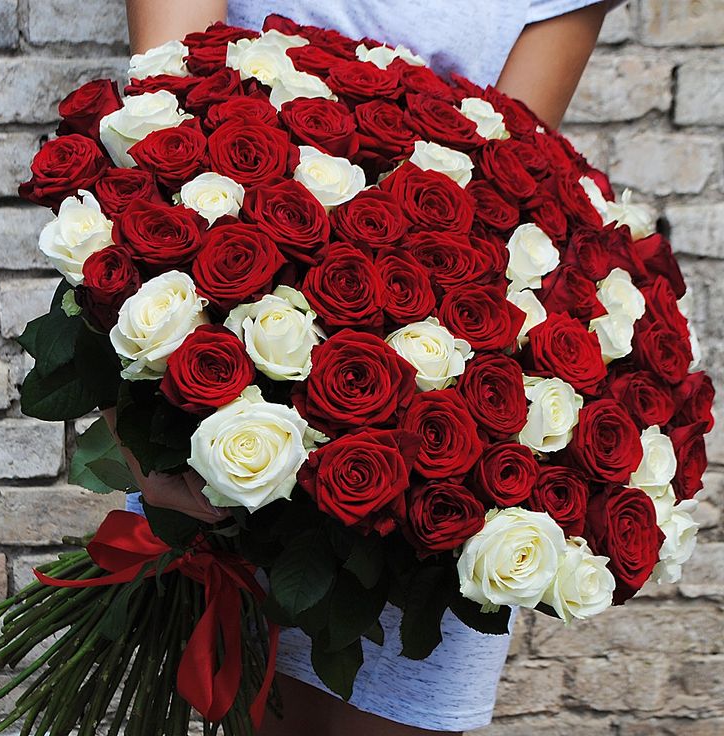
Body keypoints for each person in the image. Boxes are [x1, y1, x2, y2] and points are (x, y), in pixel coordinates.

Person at [109, 1, 623, 734]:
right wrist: (131, 396)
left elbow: (510, 176)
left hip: (437, 431)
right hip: (219, 385)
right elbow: (167, 112)